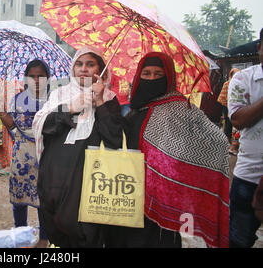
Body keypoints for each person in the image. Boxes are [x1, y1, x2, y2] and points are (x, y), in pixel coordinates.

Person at [106, 52, 230, 248]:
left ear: (169, 77)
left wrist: (179, 166)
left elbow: (219, 142)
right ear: (139, 76)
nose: (152, 78)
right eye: (146, 74)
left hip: (162, 205)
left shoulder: (181, 109)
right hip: (129, 197)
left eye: (158, 74)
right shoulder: (136, 109)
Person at [32, 46, 126, 247]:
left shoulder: (109, 99)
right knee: (56, 225)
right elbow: (42, 125)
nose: (83, 69)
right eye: (79, 64)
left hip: (86, 178)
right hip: (54, 174)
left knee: (85, 231)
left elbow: (114, 139)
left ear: (101, 70)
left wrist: (99, 101)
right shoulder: (60, 94)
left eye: (90, 64)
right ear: (72, 68)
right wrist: (71, 107)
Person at [0, 59, 50, 248]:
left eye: (40, 76)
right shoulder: (17, 100)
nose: (36, 80)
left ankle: (44, 238)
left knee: (44, 198)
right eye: (32, 76)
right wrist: (3, 115)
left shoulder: (54, 100)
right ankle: (20, 236)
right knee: (19, 198)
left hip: (45, 156)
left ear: (48, 78)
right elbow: (13, 129)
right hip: (21, 156)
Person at [228, 27, 263, 248]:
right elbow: (238, 119)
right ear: (260, 48)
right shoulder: (243, 78)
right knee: (239, 239)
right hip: (249, 175)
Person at [217, 67, 240, 149]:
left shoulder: (240, 84)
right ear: (231, 75)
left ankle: (235, 141)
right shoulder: (227, 84)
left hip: (235, 105)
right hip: (226, 105)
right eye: (234, 74)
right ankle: (227, 139)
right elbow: (223, 97)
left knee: (234, 122)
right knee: (228, 121)